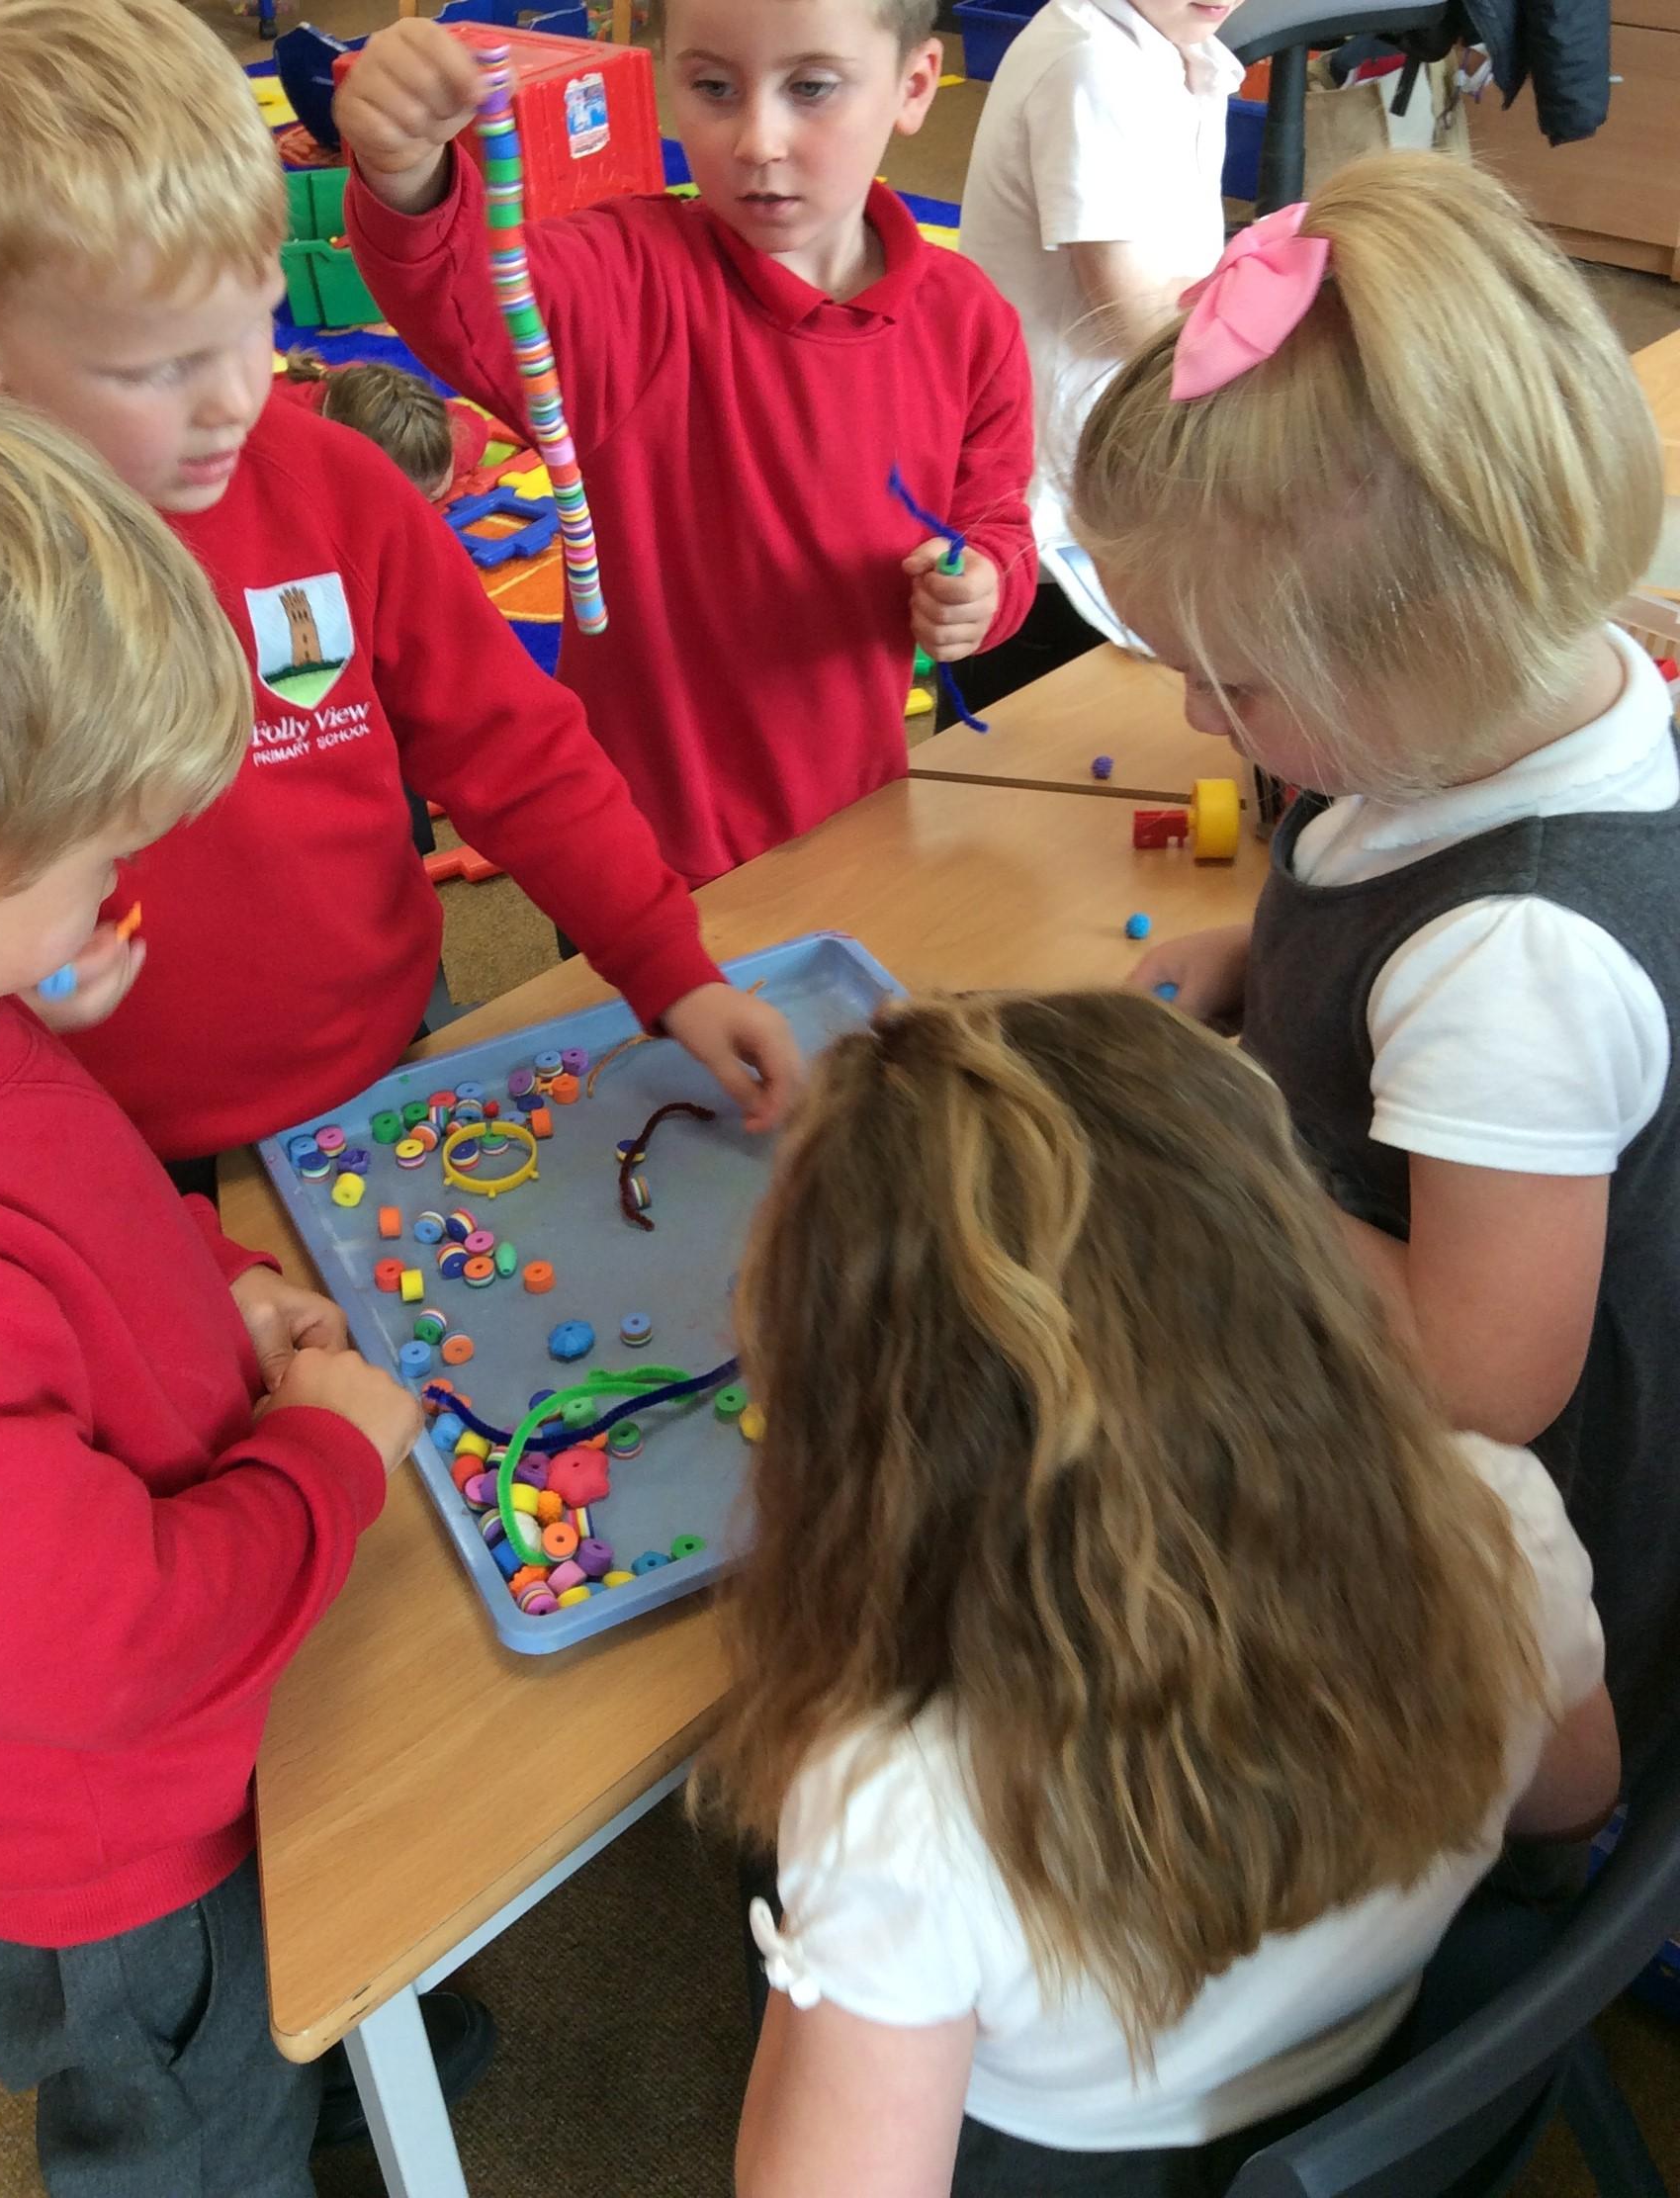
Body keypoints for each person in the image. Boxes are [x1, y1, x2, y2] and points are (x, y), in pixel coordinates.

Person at [0, 390, 423, 2196]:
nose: (118, 894)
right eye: (97, 860)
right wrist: (321, 1461)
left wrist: (224, 1289)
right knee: (187, 2133)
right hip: (116, 1865)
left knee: (296, 1998)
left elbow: (74, 1190)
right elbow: (105, 1654)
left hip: (193, 1720)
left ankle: (332, 2056)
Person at [0, 0, 801, 1194]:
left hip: (392, 1044)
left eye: (252, 325)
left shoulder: (336, 488)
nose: (233, 401)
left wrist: (667, 965)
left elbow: (516, 750)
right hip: (110, 1141)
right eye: (159, 366)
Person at [705, 989, 1617, 2198]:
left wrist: (810, 1973)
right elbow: (1572, 1804)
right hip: (1398, 2072)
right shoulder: (1492, 1513)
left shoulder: (898, 1803)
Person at [1075, 152, 1678, 1794]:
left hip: (1496, 1580)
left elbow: (1481, 1374)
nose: (1198, 720)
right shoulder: (1492, 725)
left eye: (1237, 686)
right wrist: (1259, 967)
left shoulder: (1516, 960)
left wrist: (1206, 1162)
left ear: (1432, 648)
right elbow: (1370, 922)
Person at [333, 0, 1039, 887]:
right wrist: (407, 170)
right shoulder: (631, 276)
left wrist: (983, 589)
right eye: (712, 87)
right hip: (641, 855)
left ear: (914, 85)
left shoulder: (969, 323)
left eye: (811, 88)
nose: (756, 141)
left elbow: (997, 524)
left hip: (854, 819)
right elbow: (466, 294)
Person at [955, 0, 1245, 708]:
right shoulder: (1090, 65)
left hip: (1106, 462)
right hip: (1046, 497)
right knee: (1029, 729)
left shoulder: (1174, 50)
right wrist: (1267, 302)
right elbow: (1135, 316)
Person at [277, 348, 494, 503]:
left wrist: (450, 465)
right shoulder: (293, 449)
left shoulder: (385, 403)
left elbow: (473, 422)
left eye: (429, 494)